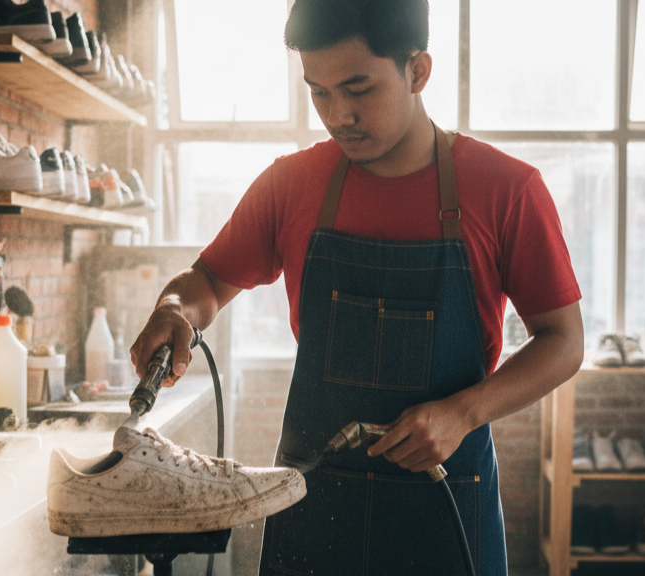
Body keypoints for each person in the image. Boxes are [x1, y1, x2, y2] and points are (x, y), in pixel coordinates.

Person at [130, 0, 584, 573]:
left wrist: (463, 413)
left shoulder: (507, 189)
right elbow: (208, 281)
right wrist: (175, 309)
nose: (337, 114)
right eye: (319, 92)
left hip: (444, 501)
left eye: (358, 89)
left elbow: (563, 340)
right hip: (315, 503)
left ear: (417, 71)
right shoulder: (291, 185)